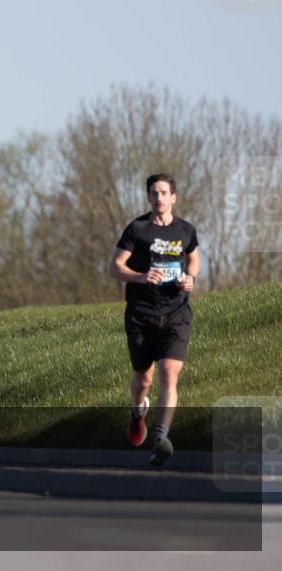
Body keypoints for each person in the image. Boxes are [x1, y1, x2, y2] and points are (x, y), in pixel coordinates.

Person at [108, 173, 199, 467]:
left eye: (163, 193)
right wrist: (141, 276)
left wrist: (190, 278)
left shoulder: (186, 230)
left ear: (173, 197)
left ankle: (161, 439)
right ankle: (138, 413)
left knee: (169, 374)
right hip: (141, 313)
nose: (158, 198)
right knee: (143, 378)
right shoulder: (138, 229)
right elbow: (115, 267)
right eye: (153, 193)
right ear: (148, 198)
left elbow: (193, 256)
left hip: (176, 312)